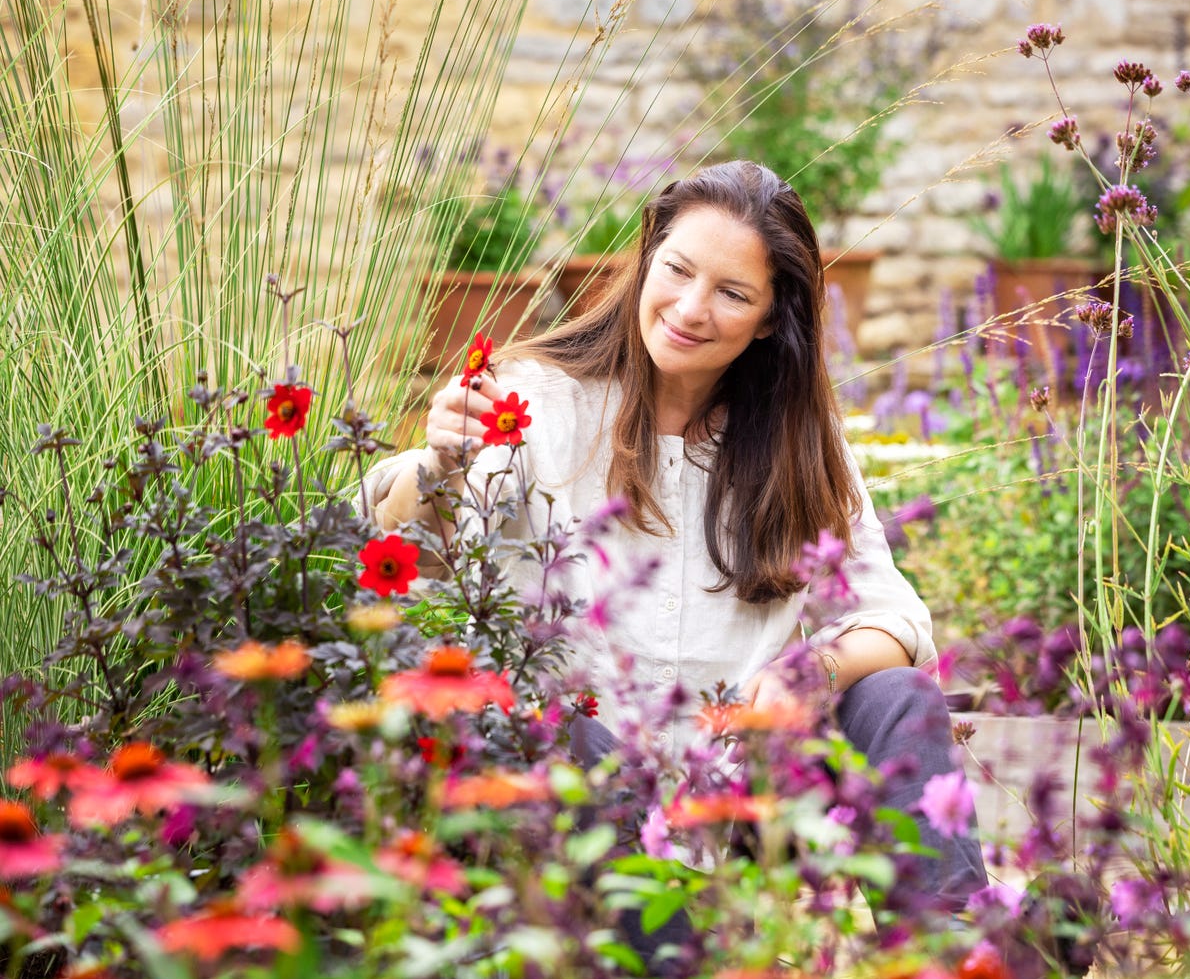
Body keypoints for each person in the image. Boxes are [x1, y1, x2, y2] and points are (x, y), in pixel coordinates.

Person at [363, 161, 986, 914]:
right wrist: (439, 461)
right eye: (678, 270)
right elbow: (403, 549)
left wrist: (812, 672)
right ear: (647, 258)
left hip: (738, 802)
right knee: (565, 729)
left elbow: (896, 616)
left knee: (897, 694)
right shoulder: (539, 398)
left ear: (768, 318)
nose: (690, 308)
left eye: (731, 293)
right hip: (573, 812)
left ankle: (964, 967)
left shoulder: (796, 441)